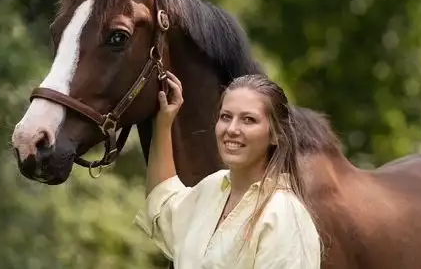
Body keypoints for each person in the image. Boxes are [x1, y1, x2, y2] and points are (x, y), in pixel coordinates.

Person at [135, 72, 321, 268]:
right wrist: (163, 123)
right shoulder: (212, 188)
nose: (231, 129)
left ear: (276, 135)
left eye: (248, 120)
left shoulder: (283, 215)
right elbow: (163, 204)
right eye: (226, 117)